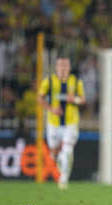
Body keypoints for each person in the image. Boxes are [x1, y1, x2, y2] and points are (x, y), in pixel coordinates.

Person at [38, 56, 85, 189]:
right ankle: (58, 160)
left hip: (71, 122)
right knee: (54, 151)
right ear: (56, 67)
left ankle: (63, 179)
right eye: (61, 65)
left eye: (66, 65)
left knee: (68, 149)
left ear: (69, 68)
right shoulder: (48, 81)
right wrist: (52, 109)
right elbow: (40, 99)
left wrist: (74, 99)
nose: (63, 68)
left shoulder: (76, 82)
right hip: (53, 122)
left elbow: (82, 99)